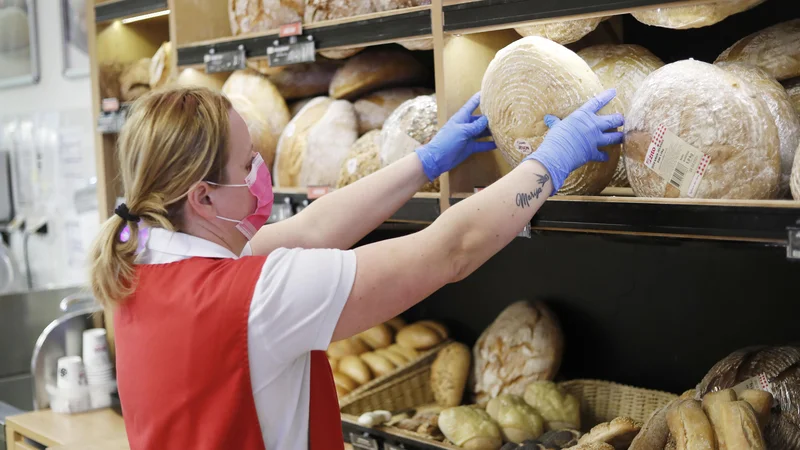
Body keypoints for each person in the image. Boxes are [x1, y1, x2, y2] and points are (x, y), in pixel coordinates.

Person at [89, 87, 623, 450]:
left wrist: (425, 162)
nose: (260, 171)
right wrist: (549, 165)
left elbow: (313, 230)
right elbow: (450, 251)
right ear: (204, 197)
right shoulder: (255, 299)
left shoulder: (141, 258)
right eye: (247, 161)